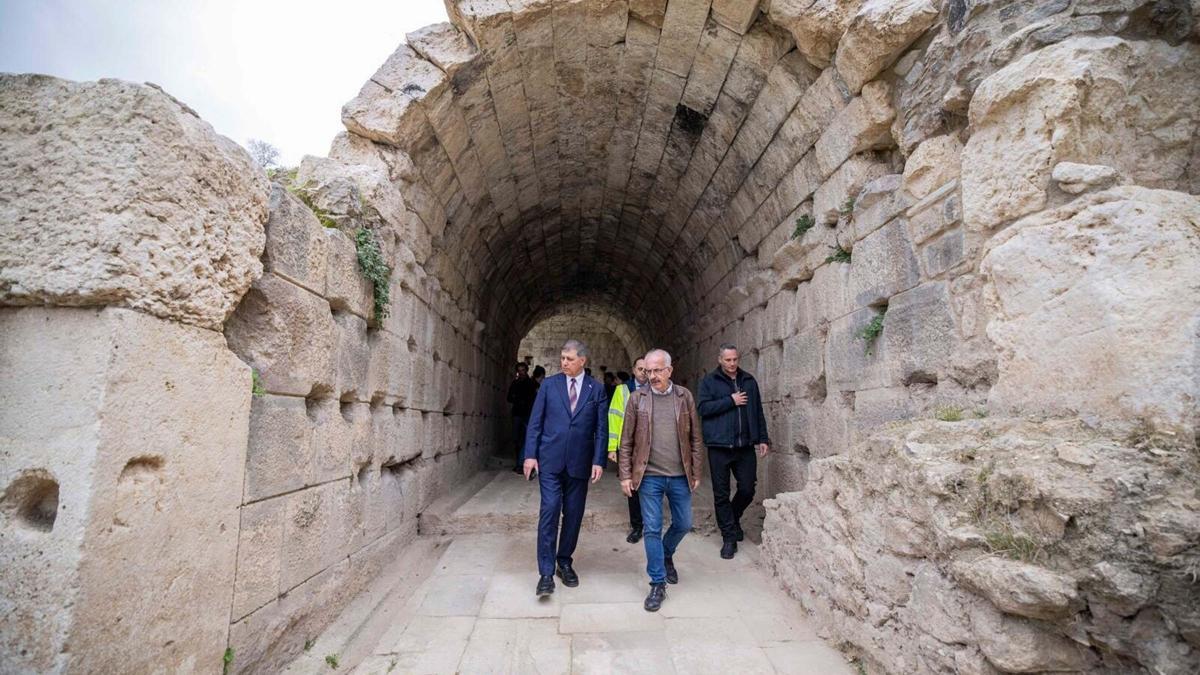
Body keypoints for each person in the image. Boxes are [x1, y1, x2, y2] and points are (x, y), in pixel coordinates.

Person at [618, 349, 704, 612]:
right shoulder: (636, 399)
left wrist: (697, 472)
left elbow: (696, 439)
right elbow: (627, 441)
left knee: (683, 523)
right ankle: (657, 583)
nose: (651, 376)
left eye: (657, 370)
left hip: (679, 475)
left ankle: (666, 553)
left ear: (669, 370)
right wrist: (625, 475)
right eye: (647, 371)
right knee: (652, 528)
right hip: (649, 476)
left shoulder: (684, 396)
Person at [523, 340, 607, 597]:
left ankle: (564, 561)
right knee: (549, 510)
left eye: (569, 359)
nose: (564, 363)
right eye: (562, 358)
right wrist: (529, 456)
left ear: (583, 360)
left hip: (580, 463)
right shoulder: (549, 386)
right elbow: (535, 422)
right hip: (549, 460)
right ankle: (545, 573)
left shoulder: (597, 389)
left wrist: (598, 460)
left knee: (573, 514)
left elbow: (601, 429)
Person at [697, 343, 770, 560]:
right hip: (719, 446)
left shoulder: (748, 381)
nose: (732, 363)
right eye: (728, 360)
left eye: (735, 359)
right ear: (720, 360)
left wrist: (763, 438)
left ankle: (733, 517)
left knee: (747, 489)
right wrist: (731, 400)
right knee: (721, 493)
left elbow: (757, 410)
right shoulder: (709, 382)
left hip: (745, 445)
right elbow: (703, 409)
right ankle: (729, 538)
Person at [607, 357, 649, 543]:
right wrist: (612, 448)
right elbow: (614, 418)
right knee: (633, 486)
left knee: (651, 484)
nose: (643, 373)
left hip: (651, 445)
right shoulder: (622, 390)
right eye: (640, 369)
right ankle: (637, 526)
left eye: (647, 369)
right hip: (630, 446)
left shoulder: (656, 388)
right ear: (633, 369)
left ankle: (650, 523)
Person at [506, 363, 537, 473]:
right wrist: (517, 399)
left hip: (527, 414)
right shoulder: (515, 383)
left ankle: (522, 463)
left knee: (525, 439)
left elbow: (533, 399)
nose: (521, 372)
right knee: (516, 438)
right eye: (519, 370)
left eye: (523, 370)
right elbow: (509, 397)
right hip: (517, 414)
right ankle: (518, 461)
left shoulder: (531, 383)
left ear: (527, 370)